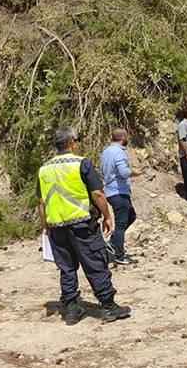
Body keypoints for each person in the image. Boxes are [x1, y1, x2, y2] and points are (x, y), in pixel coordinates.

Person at [37, 126, 131, 325]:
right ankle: (108, 306)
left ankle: (71, 308)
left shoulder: (44, 168)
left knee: (67, 268)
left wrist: (45, 227)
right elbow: (97, 194)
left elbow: (41, 202)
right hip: (82, 225)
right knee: (96, 264)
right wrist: (107, 216)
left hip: (56, 227)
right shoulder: (81, 163)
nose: (78, 144)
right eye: (77, 140)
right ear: (72, 142)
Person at [101, 128, 143, 265]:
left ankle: (113, 243)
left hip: (111, 191)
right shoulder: (119, 153)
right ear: (123, 137)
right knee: (120, 224)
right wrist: (135, 172)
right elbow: (124, 172)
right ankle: (119, 254)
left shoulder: (106, 152)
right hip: (118, 192)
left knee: (131, 216)